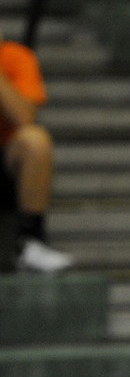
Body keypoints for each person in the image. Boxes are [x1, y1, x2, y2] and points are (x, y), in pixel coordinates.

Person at [0, 35, 73, 272]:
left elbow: (24, 117)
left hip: (5, 160)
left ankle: (30, 244)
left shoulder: (17, 57)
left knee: (35, 140)